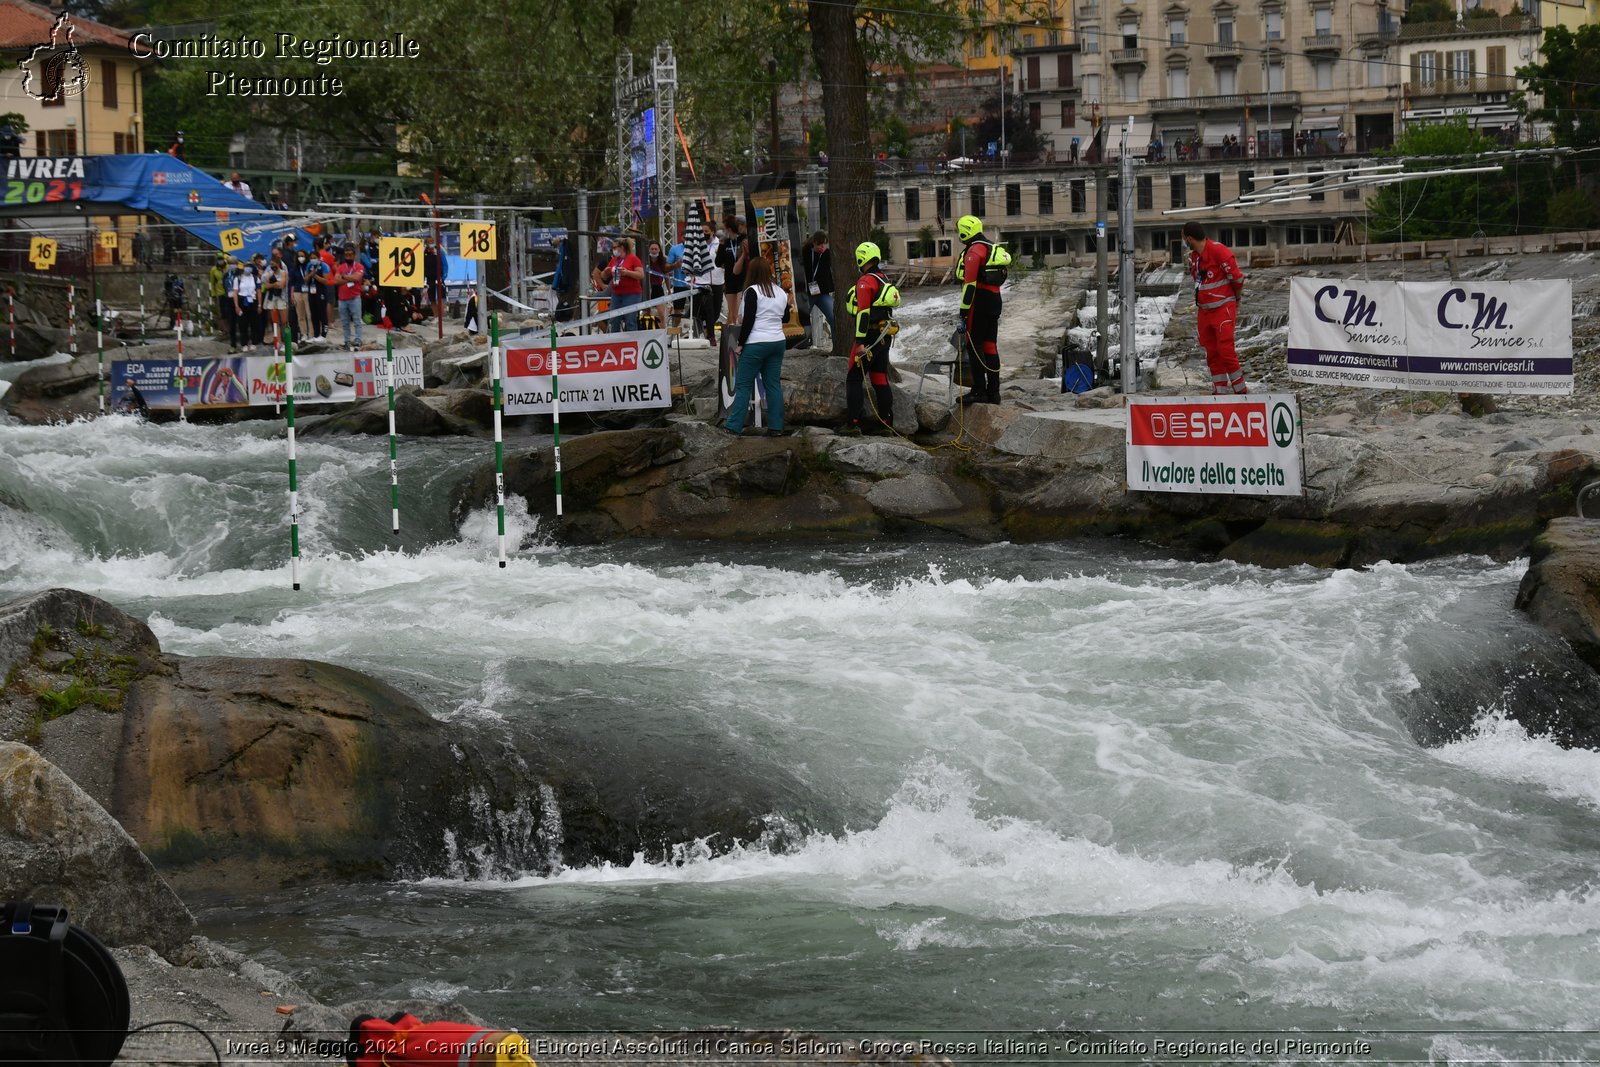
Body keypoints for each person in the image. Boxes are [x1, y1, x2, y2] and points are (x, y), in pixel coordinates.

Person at [722, 256, 795, 437]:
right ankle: (776, 427)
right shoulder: (780, 291)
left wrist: (740, 344)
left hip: (756, 342)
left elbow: (748, 321)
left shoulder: (752, 291)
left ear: (752, 272)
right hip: (777, 341)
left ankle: (733, 426)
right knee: (773, 385)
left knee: (744, 384)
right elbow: (785, 318)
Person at [1182, 220, 1247, 395]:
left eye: (1184, 239)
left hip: (1222, 308)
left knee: (1225, 350)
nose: (1184, 243)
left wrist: (1236, 299)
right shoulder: (1195, 258)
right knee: (1212, 353)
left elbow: (1237, 278)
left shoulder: (1218, 251)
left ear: (1189, 238)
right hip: (1205, 310)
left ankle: (1241, 391)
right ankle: (1220, 391)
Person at [843, 241, 900, 434]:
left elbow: (863, 314)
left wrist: (859, 342)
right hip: (884, 336)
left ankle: (852, 424)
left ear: (861, 259)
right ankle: (886, 424)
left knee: (853, 379)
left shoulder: (866, 281)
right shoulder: (883, 278)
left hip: (868, 338)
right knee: (879, 378)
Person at [955, 214, 1010, 405]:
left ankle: (978, 390)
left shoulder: (974, 251)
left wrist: (962, 313)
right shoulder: (990, 247)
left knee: (973, 345)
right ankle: (994, 393)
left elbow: (969, 285)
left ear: (965, 231)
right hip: (995, 300)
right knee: (990, 346)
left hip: (978, 302)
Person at [601, 237, 645, 332]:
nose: (613, 250)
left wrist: (627, 273)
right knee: (614, 319)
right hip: (616, 294)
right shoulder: (614, 260)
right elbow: (604, 277)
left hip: (631, 294)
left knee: (630, 320)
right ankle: (616, 342)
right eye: (612, 248)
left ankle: (632, 341)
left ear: (622, 247)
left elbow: (641, 275)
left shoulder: (633, 258)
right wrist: (605, 272)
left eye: (615, 247)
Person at [800, 230, 834, 345]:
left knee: (833, 317)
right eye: (819, 244)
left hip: (823, 293)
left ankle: (837, 343)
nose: (822, 247)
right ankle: (802, 343)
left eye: (824, 244)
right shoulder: (805, 252)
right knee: (802, 319)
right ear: (814, 243)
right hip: (808, 293)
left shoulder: (827, 253)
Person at [333, 245, 367, 350]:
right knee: (345, 322)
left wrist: (344, 277)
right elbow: (336, 280)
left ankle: (358, 340)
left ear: (354, 255)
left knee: (357, 320)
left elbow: (357, 278)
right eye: (346, 254)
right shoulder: (341, 267)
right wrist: (350, 279)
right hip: (342, 298)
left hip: (354, 297)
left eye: (350, 254)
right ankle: (346, 341)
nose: (348, 256)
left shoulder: (359, 266)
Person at [722, 215, 749, 327]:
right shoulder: (727, 242)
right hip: (730, 279)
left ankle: (742, 338)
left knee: (739, 313)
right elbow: (721, 263)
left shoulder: (745, 239)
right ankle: (734, 338)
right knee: (732, 315)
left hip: (744, 279)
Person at [228, 255, 258, 353]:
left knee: (253, 323)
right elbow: (235, 293)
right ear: (243, 267)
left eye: (249, 266)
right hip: (242, 300)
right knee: (242, 324)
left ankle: (253, 343)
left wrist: (259, 304)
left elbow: (258, 291)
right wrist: (236, 306)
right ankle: (244, 343)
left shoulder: (255, 278)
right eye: (246, 266)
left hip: (252, 301)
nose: (248, 268)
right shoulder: (238, 278)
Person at [261, 246, 289, 349]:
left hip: (282, 297)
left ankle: (286, 342)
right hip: (271, 297)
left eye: (276, 254)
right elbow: (265, 282)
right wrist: (274, 284)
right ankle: (278, 341)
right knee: (275, 321)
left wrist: (274, 283)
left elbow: (282, 284)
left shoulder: (284, 268)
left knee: (284, 321)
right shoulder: (269, 268)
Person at [208, 254, 228, 339]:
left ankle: (230, 329)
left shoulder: (228, 267)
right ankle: (224, 330)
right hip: (220, 294)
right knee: (222, 312)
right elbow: (212, 284)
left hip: (229, 292)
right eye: (219, 259)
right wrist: (213, 295)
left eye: (221, 259)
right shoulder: (214, 270)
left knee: (229, 312)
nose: (220, 261)